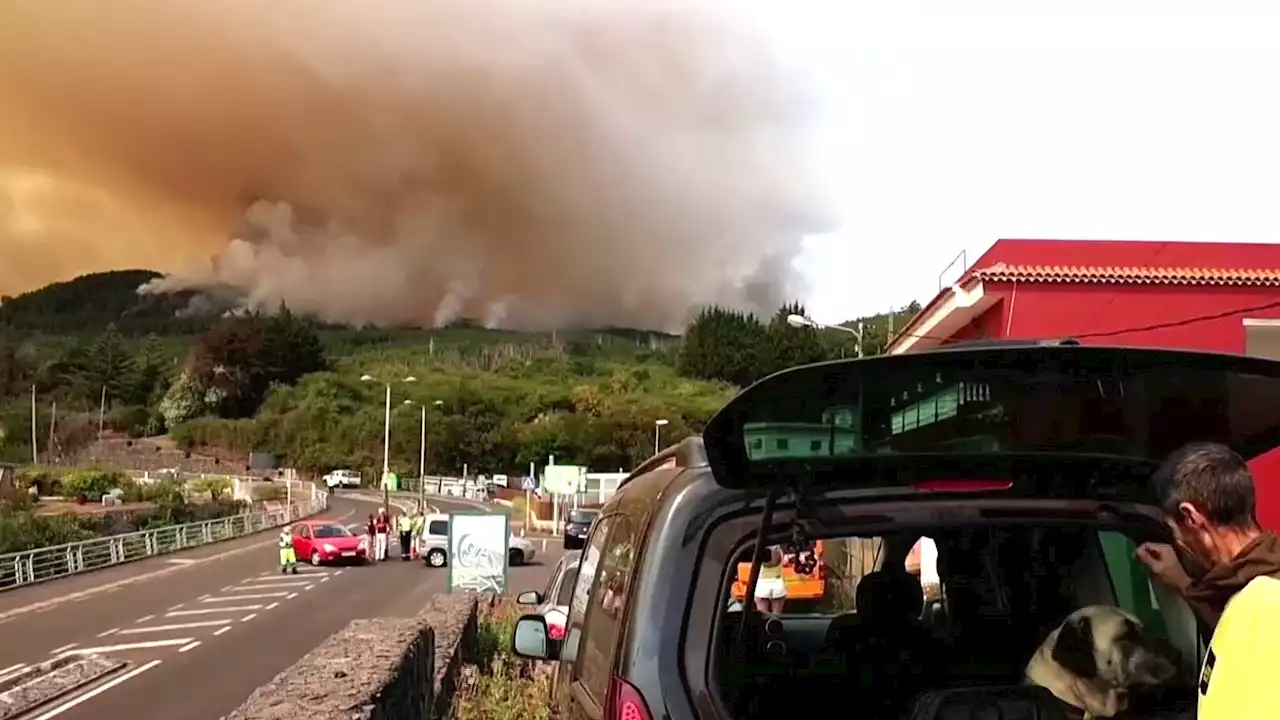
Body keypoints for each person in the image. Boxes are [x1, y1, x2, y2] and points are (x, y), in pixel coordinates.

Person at [1135, 442, 1280, 629]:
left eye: (1173, 530)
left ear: (1191, 517)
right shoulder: (1261, 576)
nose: (1178, 542)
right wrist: (1183, 583)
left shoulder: (1263, 601)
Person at [753, 546, 787, 614]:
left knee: (763, 616)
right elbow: (785, 562)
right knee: (777, 616)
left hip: (761, 585)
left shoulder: (759, 549)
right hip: (777, 584)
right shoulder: (779, 551)